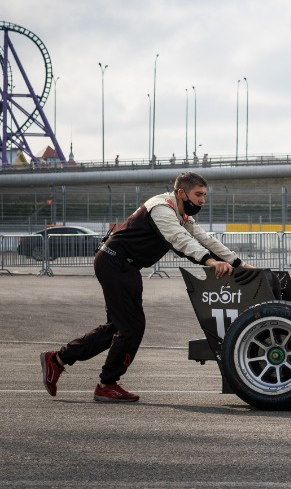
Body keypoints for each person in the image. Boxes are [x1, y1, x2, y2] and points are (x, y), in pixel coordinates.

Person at [40, 172, 254, 403]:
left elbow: (205, 239)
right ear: (182, 193)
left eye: (204, 195)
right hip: (115, 262)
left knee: (118, 326)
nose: (203, 200)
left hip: (124, 265)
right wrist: (210, 262)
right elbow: (179, 240)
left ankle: (58, 359)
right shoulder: (161, 208)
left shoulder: (178, 212)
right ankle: (106, 384)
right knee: (131, 326)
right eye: (198, 194)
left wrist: (239, 264)